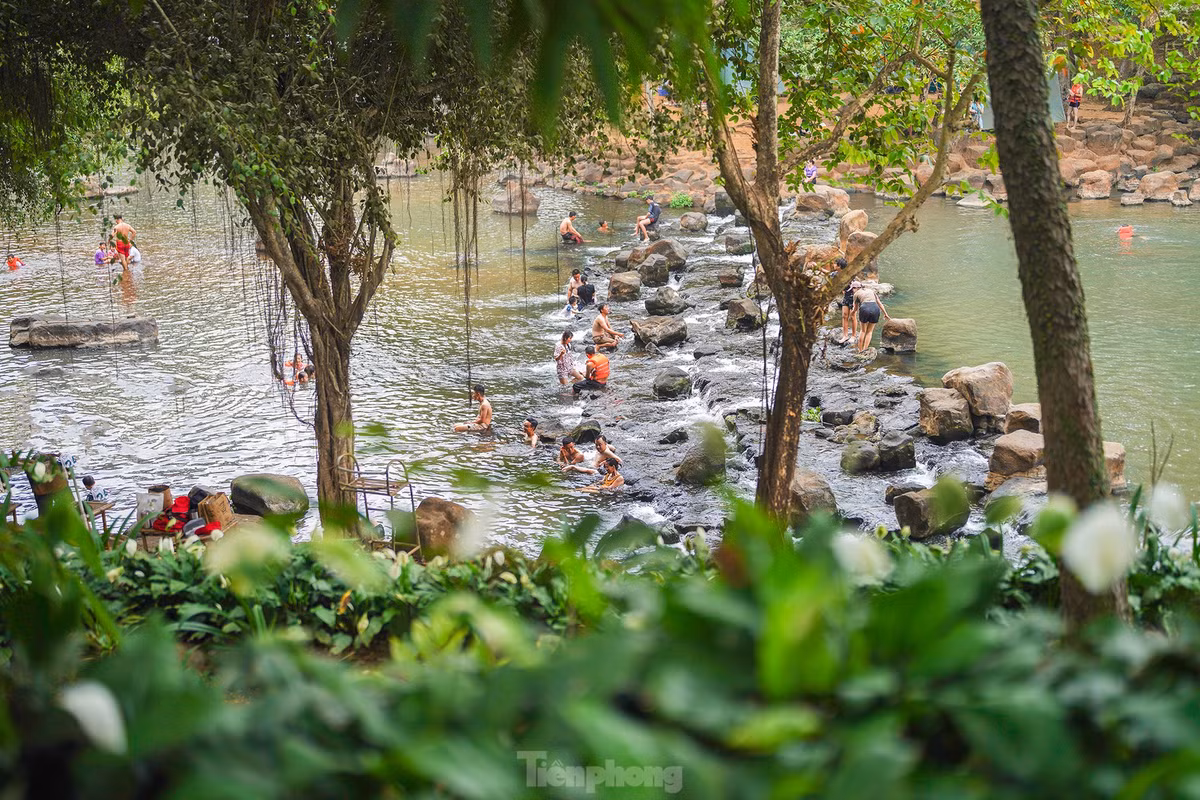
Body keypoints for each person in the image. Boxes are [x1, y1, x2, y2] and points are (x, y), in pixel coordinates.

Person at [852, 283, 891, 352]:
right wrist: (885, 314)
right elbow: (879, 303)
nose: (852, 290)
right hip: (875, 308)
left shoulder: (856, 294)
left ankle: (860, 350)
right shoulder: (871, 291)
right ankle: (865, 349)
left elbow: (855, 308)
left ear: (856, 288)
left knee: (863, 331)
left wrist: (852, 313)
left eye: (853, 289)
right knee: (869, 332)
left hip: (864, 308)